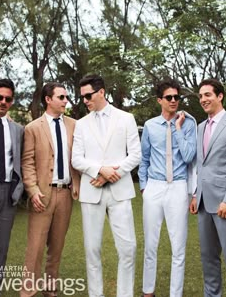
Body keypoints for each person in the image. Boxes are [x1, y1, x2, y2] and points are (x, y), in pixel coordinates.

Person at [72, 74, 141, 297]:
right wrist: (99, 170)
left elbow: (136, 155)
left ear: (101, 92)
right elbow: (77, 159)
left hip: (120, 191)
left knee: (128, 249)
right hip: (91, 191)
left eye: (88, 95)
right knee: (92, 250)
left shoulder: (126, 118)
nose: (84, 100)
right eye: (82, 97)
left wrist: (113, 173)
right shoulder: (81, 125)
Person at [20, 82, 80, 297]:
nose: (66, 101)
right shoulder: (33, 127)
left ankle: (50, 290)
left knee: (56, 248)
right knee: (35, 248)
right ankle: (28, 292)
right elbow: (27, 162)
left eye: (66, 97)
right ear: (48, 99)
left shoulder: (75, 125)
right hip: (42, 195)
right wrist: (33, 190)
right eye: (61, 97)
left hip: (66, 194)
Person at [138, 78, 197, 297]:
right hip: (154, 187)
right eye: (169, 97)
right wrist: (144, 187)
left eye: (176, 97)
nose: (173, 101)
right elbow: (144, 159)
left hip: (179, 187)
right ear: (159, 100)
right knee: (151, 244)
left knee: (178, 248)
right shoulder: (151, 126)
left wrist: (179, 128)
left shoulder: (188, 124)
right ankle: (148, 291)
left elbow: (190, 156)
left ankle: (175, 294)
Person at [190, 78, 226, 297]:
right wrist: (196, 193)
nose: (203, 99)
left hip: (225, 203)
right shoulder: (201, 127)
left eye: (208, 95)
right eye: (201, 96)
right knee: (208, 259)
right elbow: (200, 164)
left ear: (220, 96)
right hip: (204, 204)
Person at [0, 79, 24, 297]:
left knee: (0, 250)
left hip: (8, 194)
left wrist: (19, 188)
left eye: (8, 99)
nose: (4, 102)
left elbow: (22, 161)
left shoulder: (18, 129)